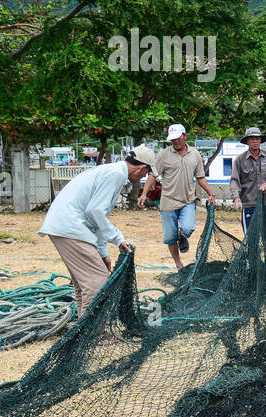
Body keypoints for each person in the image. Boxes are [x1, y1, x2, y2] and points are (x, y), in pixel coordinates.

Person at [39, 146, 157, 314]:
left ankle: (83, 327)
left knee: (84, 283)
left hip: (64, 225)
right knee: (97, 281)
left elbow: (97, 218)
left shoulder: (113, 171)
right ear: (142, 167)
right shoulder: (115, 174)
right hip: (70, 226)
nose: (144, 177)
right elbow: (95, 211)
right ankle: (93, 333)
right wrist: (118, 238)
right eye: (146, 173)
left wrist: (103, 253)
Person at [140, 123, 215, 271]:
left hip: (188, 200)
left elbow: (200, 177)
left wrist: (211, 193)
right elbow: (153, 175)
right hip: (168, 201)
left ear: (185, 136)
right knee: (170, 237)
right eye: (173, 139)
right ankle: (178, 264)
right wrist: (143, 194)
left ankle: (181, 234)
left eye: (178, 138)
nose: (176, 141)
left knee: (188, 227)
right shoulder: (163, 155)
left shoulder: (195, 155)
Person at [229, 126, 266, 236]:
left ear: (261, 140)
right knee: (250, 239)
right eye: (252, 139)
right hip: (249, 205)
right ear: (247, 141)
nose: (255, 141)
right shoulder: (240, 160)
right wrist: (236, 197)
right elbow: (234, 181)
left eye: (257, 138)